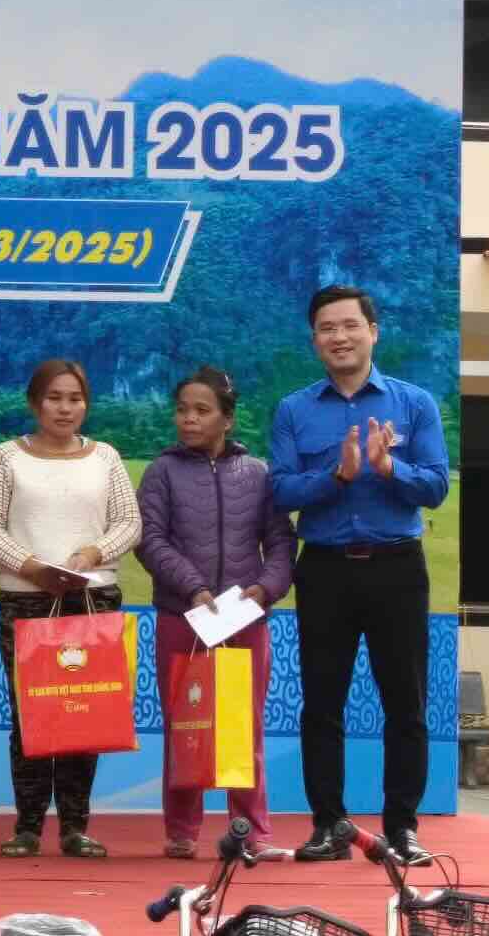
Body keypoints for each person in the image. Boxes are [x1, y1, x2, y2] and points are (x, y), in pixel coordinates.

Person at [269, 285, 450, 865]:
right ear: (314, 339)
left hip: (398, 568)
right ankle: (329, 826)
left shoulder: (414, 402)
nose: (339, 337)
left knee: (406, 703)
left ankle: (402, 829)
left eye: (350, 325)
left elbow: (437, 485)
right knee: (322, 703)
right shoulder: (295, 409)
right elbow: (281, 491)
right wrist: (338, 477)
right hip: (323, 570)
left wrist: (387, 467)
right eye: (327, 328)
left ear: (374, 331)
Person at [0, 360, 140, 859]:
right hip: (27, 597)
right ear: (34, 403)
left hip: (92, 594)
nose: (66, 408)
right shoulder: (7, 457)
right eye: (54, 398)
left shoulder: (105, 457)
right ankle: (26, 827)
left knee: (83, 711)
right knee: (31, 713)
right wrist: (32, 566)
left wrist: (90, 555)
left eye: (75, 398)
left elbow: (128, 523)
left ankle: (74, 827)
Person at [138, 365, 295, 861]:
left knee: (242, 728)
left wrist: (265, 590)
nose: (188, 419)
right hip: (180, 619)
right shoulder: (161, 472)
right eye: (182, 410)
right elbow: (150, 540)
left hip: (245, 621)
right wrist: (192, 587)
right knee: (185, 724)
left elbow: (281, 544)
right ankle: (181, 832)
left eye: (202, 411)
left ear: (228, 418)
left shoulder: (259, 475)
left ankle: (253, 834)